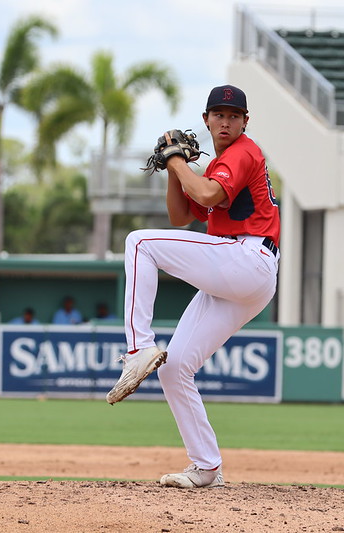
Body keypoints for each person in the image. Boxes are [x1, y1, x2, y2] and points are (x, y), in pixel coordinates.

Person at [106, 84, 280, 489]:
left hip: (247, 257)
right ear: (206, 120)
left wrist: (178, 159)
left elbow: (204, 192)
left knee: (139, 242)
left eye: (233, 115)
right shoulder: (219, 166)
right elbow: (182, 214)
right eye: (218, 114)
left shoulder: (243, 152)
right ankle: (206, 466)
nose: (225, 121)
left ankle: (137, 348)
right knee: (177, 366)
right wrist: (173, 168)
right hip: (244, 274)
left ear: (245, 122)